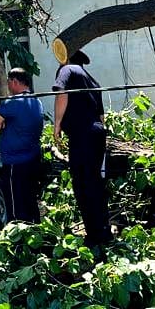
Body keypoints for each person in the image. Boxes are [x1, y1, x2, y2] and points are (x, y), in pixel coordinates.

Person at [52, 50, 112, 253]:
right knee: (95, 183)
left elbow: (61, 94)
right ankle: (104, 231)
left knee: (82, 185)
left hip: (82, 135)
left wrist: (57, 125)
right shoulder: (92, 82)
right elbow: (102, 117)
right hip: (96, 134)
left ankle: (94, 236)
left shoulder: (66, 69)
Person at [0, 67, 44, 223]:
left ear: (14, 81)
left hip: (15, 163)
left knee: (15, 205)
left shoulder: (13, 103)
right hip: (33, 159)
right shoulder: (37, 101)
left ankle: (20, 239)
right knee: (30, 200)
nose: (9, 87)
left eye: (9, 83)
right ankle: (35, 232)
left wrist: (2, 126)